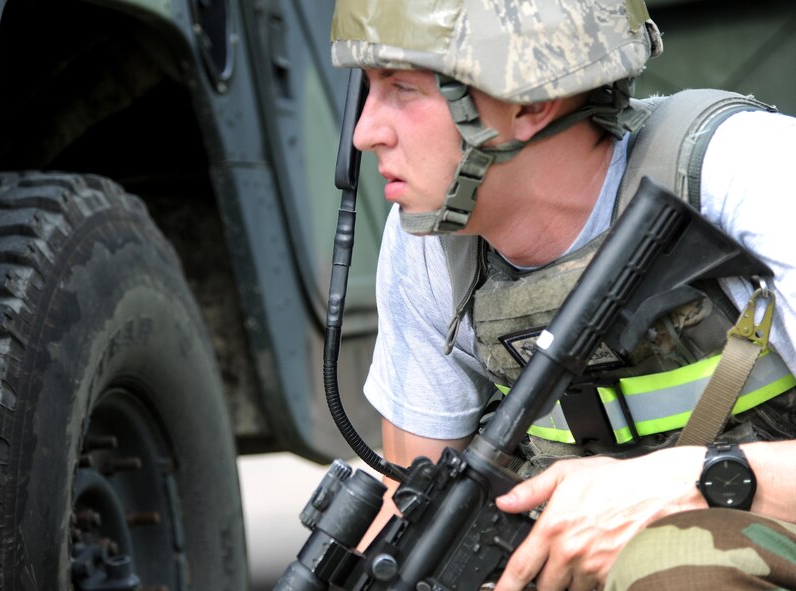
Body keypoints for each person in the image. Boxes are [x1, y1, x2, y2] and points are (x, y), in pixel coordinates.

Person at [329, 0, 796, 589]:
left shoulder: (752, 174)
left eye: (402, 89)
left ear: (529, 100)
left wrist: (687, 486)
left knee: (675, 567)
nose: (366, 131)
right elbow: (412, 503)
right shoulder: (433, 238)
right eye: (364, 89)